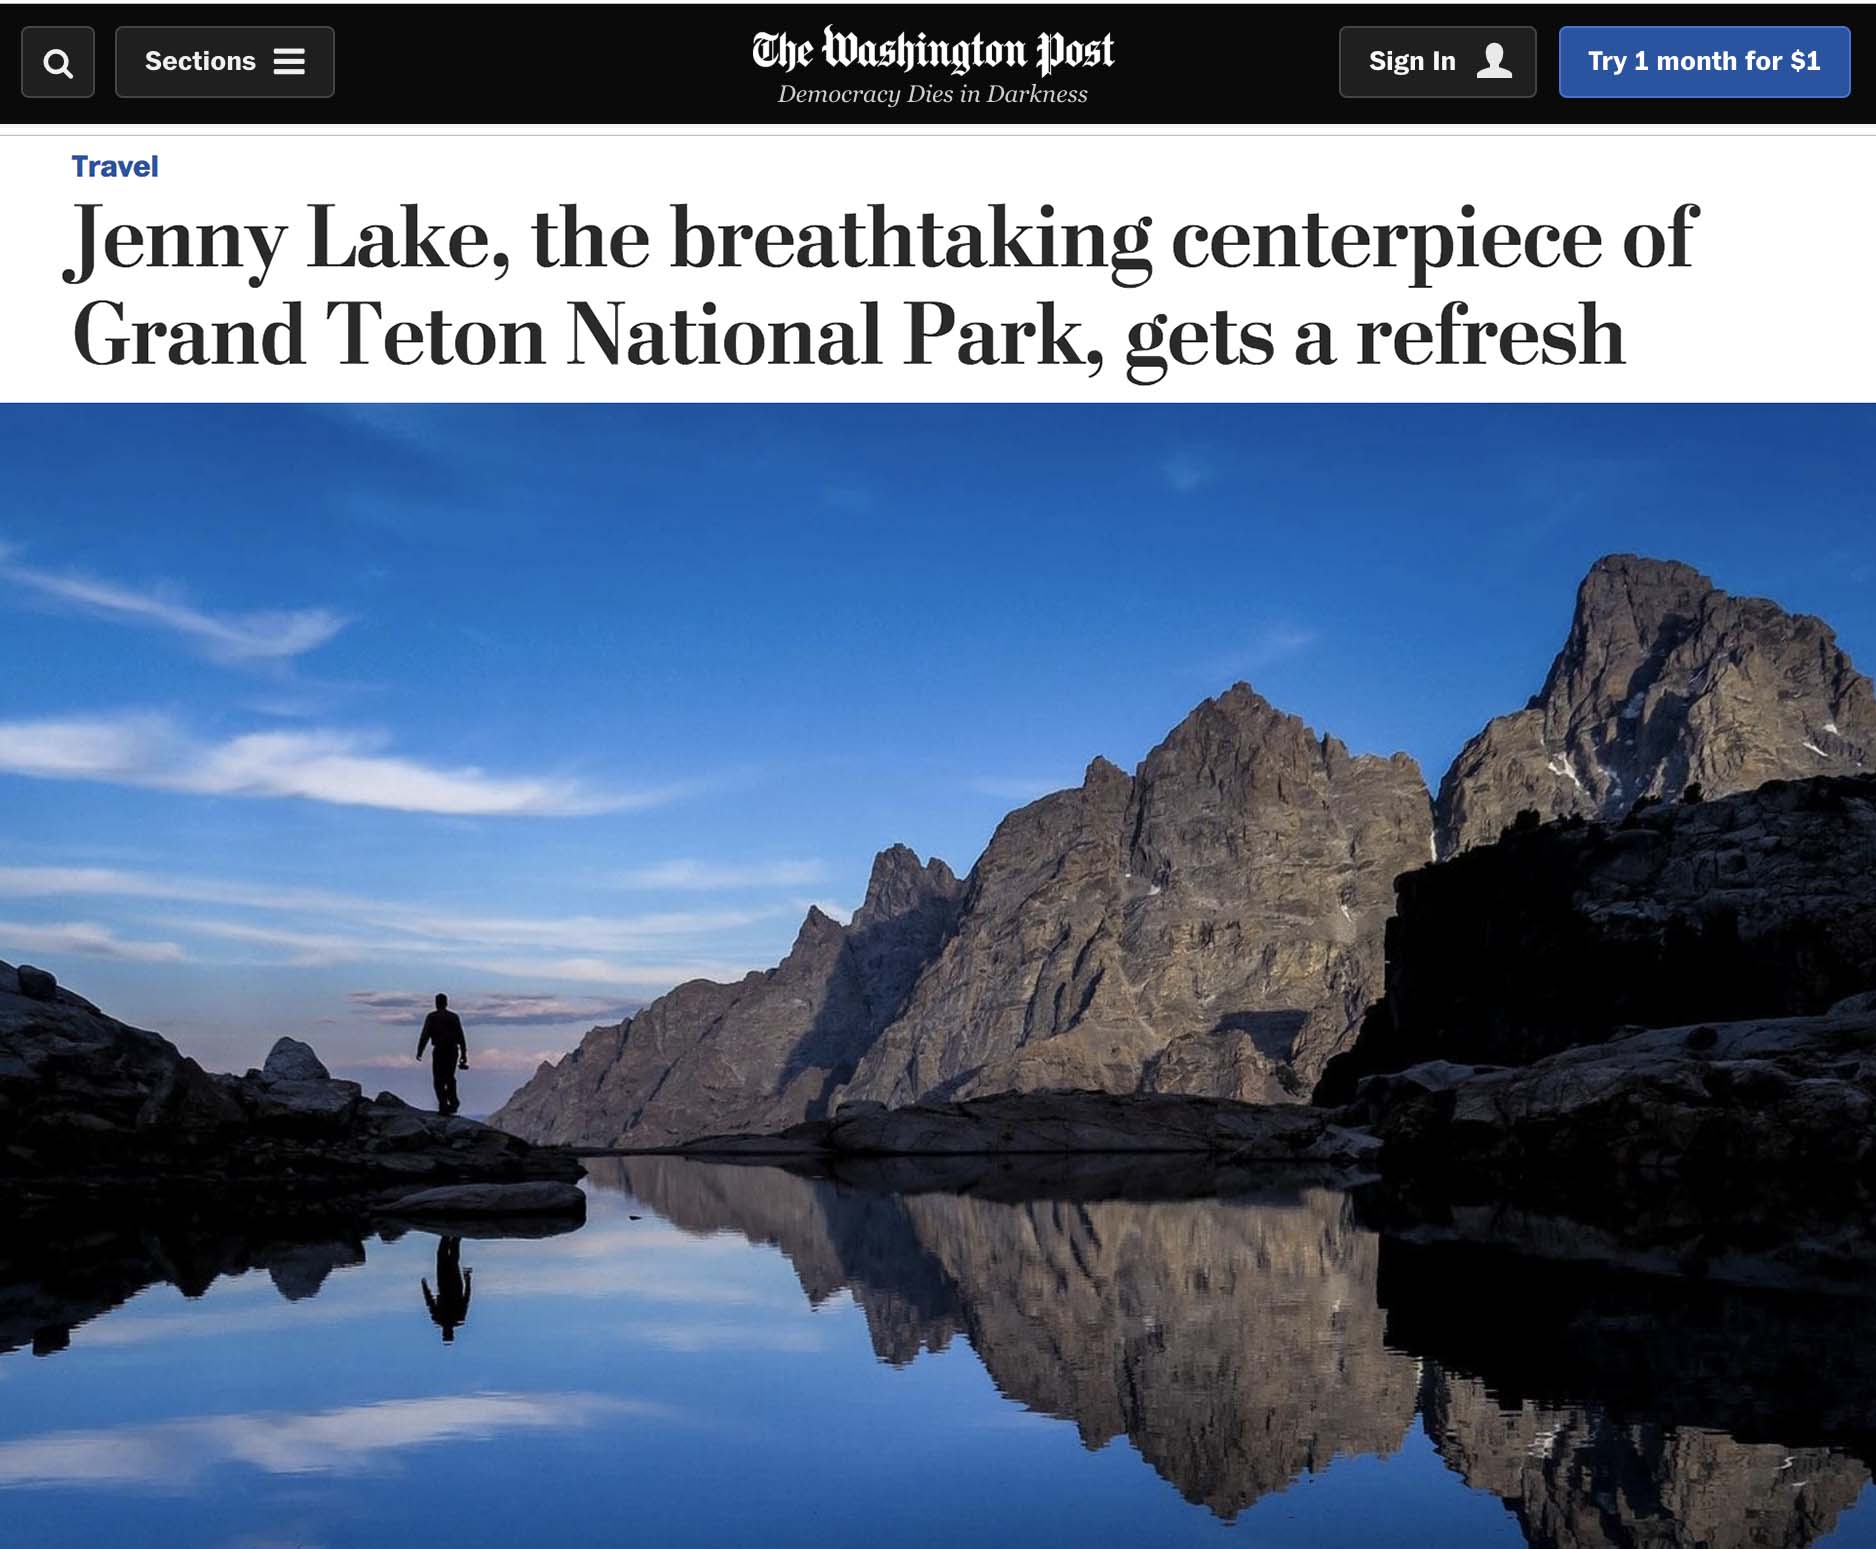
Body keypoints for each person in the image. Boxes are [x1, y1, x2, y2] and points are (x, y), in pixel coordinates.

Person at [416, 992, 469, 1115]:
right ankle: (452, 1103)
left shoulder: (432, 1017)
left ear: (436, 1003)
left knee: (438, 1080)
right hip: (452, 1050)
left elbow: (425, 1035)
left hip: (440, 1050)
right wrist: (464, 1054)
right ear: (446, 1003)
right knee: (449, 1077)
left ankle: (444, 1105)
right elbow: (461, 1036)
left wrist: (420, 1051)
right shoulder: (453, 1017)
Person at [422, 1235, 473, 1343]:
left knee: (449, 1259)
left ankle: (451, 1235)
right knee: (448, 1259)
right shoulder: (446, 1318)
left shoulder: (444, 1318)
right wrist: (468, 1280)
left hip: (448, 1285)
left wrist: (468, 1281)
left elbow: (430, 1302)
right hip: (449, 1285)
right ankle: (450, 1235)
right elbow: (466, 1299)